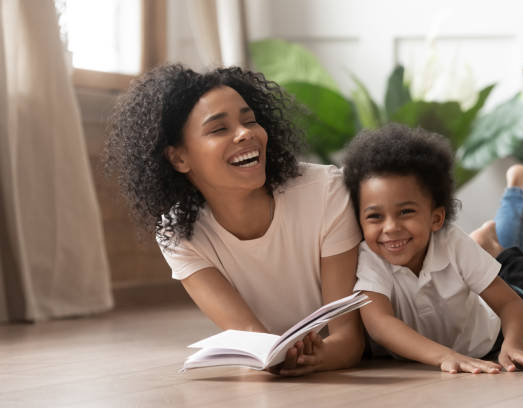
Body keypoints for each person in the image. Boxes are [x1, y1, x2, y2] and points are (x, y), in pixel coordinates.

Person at [105, 64, 364, 376]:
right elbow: (250, 336)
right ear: (178, 158)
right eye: (218, 129)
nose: (246, 134)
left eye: (250, 120)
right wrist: (280, 358)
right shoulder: (177, 233)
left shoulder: (324, 191)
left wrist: (318, 356)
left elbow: (348, 337)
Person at [342, 124, 523, 374]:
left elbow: (510, 304)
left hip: (491, 332)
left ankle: (511, 223)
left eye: (406, 212)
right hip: (459, 335)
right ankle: (488, 247)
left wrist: (512, 345)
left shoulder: (451, 242)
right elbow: (380, 324)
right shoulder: (369, 257)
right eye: (375, 216)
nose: (391, 227)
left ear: (436, 218)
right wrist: (447, 356)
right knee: (477, 265)